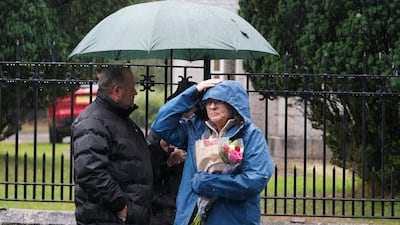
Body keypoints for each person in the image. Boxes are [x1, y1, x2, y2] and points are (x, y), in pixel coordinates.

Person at [151, 79, 274, 225]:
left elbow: (255, 180)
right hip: (190, 217)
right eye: (208, 102)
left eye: (218, 102)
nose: (212, 107)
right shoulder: (195, 130)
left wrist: (211, 184)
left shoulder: (251, 135)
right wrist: (193, 93)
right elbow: (161, 125)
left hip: (233, 219)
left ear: (232, 105)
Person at [72, 67, 153, 225]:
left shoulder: (119, 119)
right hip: (108, 219)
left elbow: (132, 161)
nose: (135, 93)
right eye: (132, 88)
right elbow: (90, 172)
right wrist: (122, 207)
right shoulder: (93, 122)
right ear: (117, 90)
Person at [147, 79, 197, 225]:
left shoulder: (199, 128)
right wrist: (169, 160)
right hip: (162, 205)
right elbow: (148, 171)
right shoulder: (160, 131)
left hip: (189, 201)